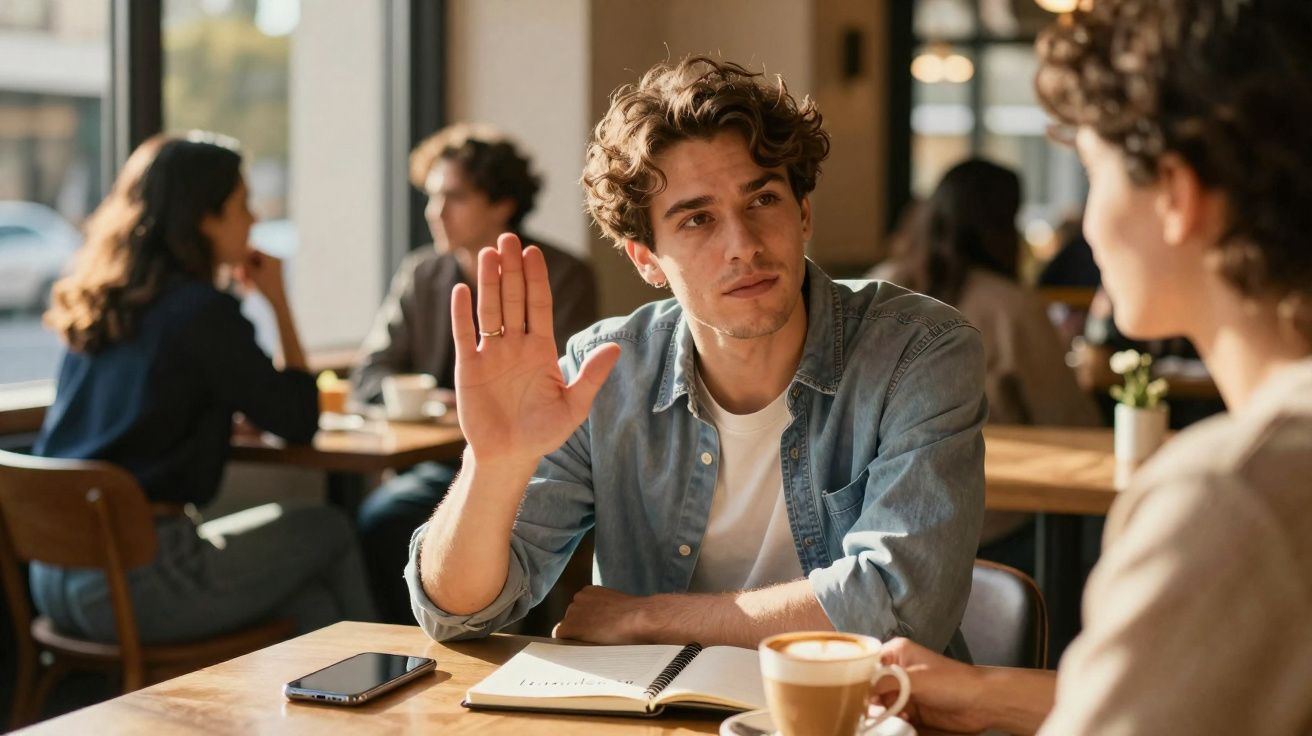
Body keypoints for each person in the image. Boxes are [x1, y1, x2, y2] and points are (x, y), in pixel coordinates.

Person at [407, 57, 987, 655]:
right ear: (646, 259)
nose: (744, 246)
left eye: (762, 200)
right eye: (698, 219)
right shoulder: (605, 371)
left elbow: (900, 608)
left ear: (803, 213)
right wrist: (494, 464)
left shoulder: (919, 350)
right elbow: (457, 614)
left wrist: (648, 619)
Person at [874, 1, 1312, 733]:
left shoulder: (1231, 493)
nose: (1088, 218)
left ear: (1173, 193)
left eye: (1093, 172)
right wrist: (980, 691)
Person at [31, 133, 376, 644]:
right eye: (242, 205)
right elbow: (300, 420)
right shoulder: (201, 313)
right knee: (329, 529)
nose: (255, 220)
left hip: (55, 579)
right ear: (203, 218)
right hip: (140, 579)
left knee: (313, 604)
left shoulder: (103, 304)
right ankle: (392, 690)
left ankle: (342, 706)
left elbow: (140, 413)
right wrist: (278, 302)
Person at [350, 124, 598, 623]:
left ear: (502, 204)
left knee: (515, 527)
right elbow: (370, 373)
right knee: (382, 518)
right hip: (439, 463)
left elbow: (566, 389)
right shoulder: (422, 274)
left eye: (454, 197)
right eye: (431, 197)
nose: (434, 212)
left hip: (537, 461)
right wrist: (432, 401)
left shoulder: (562, 274)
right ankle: (409, 647)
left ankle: (505, 644)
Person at [869, 160, 1100, 571]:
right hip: (987, 530)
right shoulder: (1011, 308)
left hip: (874, 523)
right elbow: (1071, 422)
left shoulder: (873, 292)